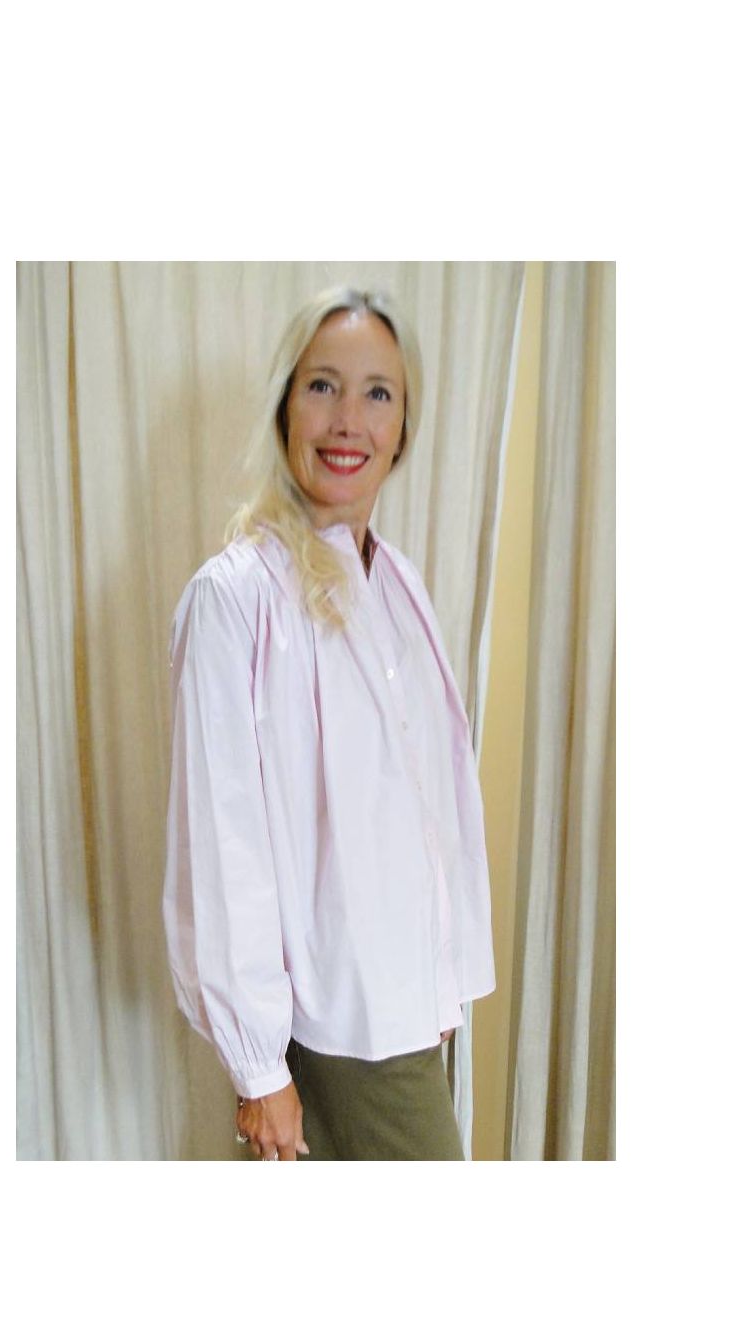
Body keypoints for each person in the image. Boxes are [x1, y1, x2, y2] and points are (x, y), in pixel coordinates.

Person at [162, 287, 495, 1160]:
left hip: (408, 1013)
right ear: (284, 405)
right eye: (322, 386)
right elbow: (223, 847)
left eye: (378, 393)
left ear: (404, 426)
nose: (349, 420)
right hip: (341, 1031)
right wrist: (259, 1070)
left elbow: (424, 808)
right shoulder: (236, 600)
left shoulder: (398, 585)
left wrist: (440, 980)